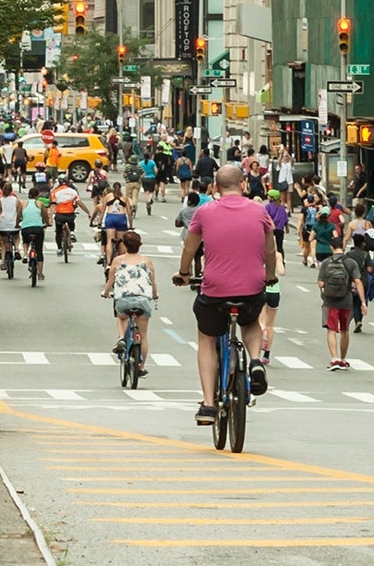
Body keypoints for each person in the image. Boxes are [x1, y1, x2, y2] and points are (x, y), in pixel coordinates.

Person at [174, 162, 277, 425]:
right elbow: (269, 250)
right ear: (243, 184)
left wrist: (184, 273)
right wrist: (270, 276)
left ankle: (208, 405)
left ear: (215, 188)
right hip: (252, 287)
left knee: (207, 338)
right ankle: (255, 361)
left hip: (215, 288)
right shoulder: (258, 211)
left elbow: (190, 249)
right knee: (251, 321)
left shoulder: (205, 211)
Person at [104, 230, 156, 375]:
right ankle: (141, 366)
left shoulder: (118, 260)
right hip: (142, 300)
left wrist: (105, 292)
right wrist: (155, 295)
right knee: (143, 335)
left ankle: (121, 338)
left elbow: (110, 281)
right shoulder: (147, 261)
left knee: (121, 317)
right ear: (140, 245)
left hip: (123, 300)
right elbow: (153, 283)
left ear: (124, 245)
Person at [317, 235, 363, 370]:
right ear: (343, 246)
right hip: (346, 301)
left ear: (331, 247)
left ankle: (334, 358)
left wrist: (324, 291)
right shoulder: (351, 262)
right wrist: (363, 302)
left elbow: (320, 282)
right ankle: (343, 359)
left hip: (330, 301)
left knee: (331, 330)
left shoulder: (326, 262)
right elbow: (358, 282)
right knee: (344, 330)